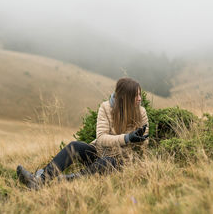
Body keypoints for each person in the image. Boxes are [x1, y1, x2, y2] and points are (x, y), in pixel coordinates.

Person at [16, 77, 149, 190]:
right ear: (126, 97)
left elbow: (145, 143)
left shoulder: (141, 112)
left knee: (108, 162)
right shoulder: (106, 108)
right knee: (75, 146)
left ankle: (64, 180)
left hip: (121, 162)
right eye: (136, 95)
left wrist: (139, 140)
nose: (139, 98)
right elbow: (101, 138)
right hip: (99, 152)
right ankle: (40, 180)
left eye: (140, 94)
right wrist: (127, 138)